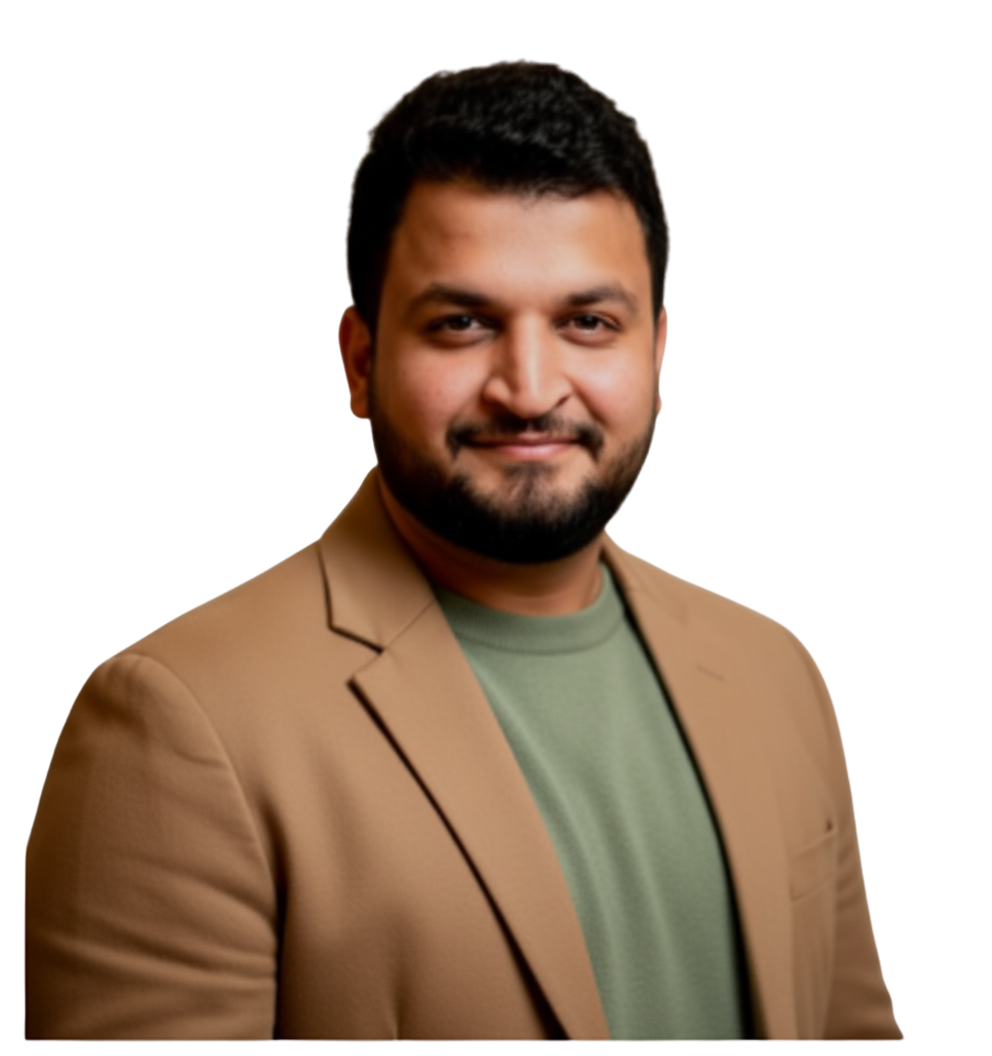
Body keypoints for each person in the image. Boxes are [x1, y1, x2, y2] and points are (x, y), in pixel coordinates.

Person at [24, 60, 901, 1041]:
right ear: (359, 362)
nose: (528, 389)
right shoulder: (178, 725)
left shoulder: (777, 671)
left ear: (656, 355)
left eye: (587, 322)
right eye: (462, 324)